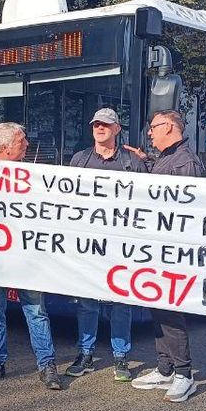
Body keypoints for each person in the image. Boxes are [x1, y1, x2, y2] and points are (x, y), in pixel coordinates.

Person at [0, 122, 62, 390]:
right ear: (5, 147)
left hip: (26, 257)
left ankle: (47, 365)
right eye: (21, 140)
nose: (26, 144)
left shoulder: (33, 174)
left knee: (36, 311)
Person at [64, 108, 146, 382]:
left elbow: (148, 199)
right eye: (96, 124)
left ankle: (121, 357)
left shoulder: (132, 161)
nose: (100, 128)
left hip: (121, 245)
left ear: (117, 129)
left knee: (121, 302)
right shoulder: (79, 160)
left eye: (106, 124)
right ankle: (85, 354)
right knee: (86, 302)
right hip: (88, 244)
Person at [130, 110, 204, 403]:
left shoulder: (185, 162)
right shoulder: (167, 159)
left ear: (170, 128)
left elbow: (184, 210)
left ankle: (185, 374)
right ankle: (165, 368)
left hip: (172, 251)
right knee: (157, 307)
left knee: (170, 311)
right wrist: (148, 161)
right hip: (157, 249)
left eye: (154, 128)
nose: (149, 133)